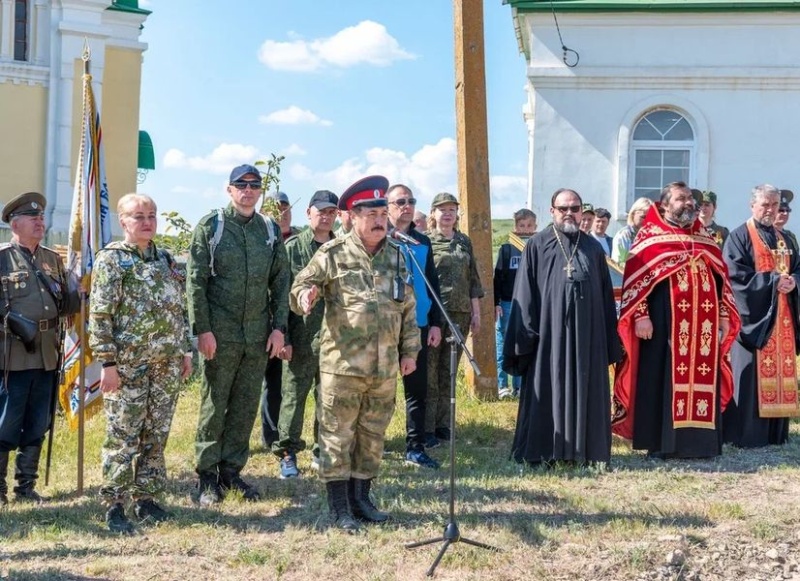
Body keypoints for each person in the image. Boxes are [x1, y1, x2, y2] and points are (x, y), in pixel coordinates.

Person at [290, 175, 420, 531]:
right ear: (353, 215)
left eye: (383, 212)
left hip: (383, 367)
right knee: (337, 435)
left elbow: (408, 308)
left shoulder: (397, 256)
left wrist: (410, 351)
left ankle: (362, 498)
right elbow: (302, 283)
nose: (380, 220)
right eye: (371, 213)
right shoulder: (333, 253)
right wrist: (305, 296)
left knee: (372, 434)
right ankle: (338, 507)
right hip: (343, 366)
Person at [88, 193, 193, 533]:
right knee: (123, 436)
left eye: (151, 215)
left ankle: (146, 498)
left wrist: (185, 351)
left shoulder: (165, 259)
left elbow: (179, 307)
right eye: (138, 216)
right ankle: (115, 504)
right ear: (123, 221)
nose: (147, 221)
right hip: (128, 366)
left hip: (166, 364)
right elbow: (100, 315)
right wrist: (107, 363)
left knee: (155, 435)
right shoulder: (112, 260)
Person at [613, 182, 740, 459]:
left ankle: (701, 443)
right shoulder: (650, 238)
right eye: (681, 199)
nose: (689, 203)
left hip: (703, 327)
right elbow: (637, 280)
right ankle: (662, 443)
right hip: (663, 325)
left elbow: (720, 282)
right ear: (665, 205)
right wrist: (641, 315)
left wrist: (721, 316)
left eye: (690, 199)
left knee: (703, 378)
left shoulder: (705, 239)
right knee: (662, 378)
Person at [187, 164, 289, 506]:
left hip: (257, 336)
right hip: (221, 334)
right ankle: (206, 477)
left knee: (245, 405)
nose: (248, 190)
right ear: (229, 190)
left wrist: (279, 329)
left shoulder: (269, 230)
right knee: (215, 405)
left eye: (254, 185)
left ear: (260, 191)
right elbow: (196, 282)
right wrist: (202, 330)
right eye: (240, 185)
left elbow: (281, 283)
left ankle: (231, 471)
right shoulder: (212, 226)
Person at [503, 189, 620, 466]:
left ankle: (587, 453)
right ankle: (545, 451)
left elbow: (604, 296)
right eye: (563, 208)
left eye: (575, 208)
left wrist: (608, 339)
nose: (570, 213)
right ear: (552, 211)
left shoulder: (592, 248)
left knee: (586, 388)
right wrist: (525, 337)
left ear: (582, 212)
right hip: (548, 339)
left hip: (587, 339)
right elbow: (525, 294)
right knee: (548, 388)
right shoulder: (537, 244)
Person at [0, 192, 79, 506]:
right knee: (6, 422)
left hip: (48, 354)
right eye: (33, 218)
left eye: (42, 217)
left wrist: (78, 289)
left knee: (37, 422)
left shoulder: (52, 258)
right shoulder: (3, 257)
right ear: (14, 223)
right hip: (12, 355)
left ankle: (26, 488)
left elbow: (65, 306)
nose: (40, 222)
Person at [722, 184, 800, 448]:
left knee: (781, 374)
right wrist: (772, 282)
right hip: (754, 321)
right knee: (748, 376)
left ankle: (775, 435)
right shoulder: (739, 236)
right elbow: (735, 277)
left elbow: (797, 269)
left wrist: (794, 283)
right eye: (765, 204)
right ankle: (747, 436)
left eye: (774, 205)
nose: (770, 210)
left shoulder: (786, 238)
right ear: (752, 205)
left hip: (783, 318)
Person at [271, 190, 338, 479]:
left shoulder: (343, 247)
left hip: (335, 338)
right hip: (300, 337)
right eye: (320, 210)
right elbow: (279, 293)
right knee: (293, 397)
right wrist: (283, 336)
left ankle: (321, 450)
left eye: (331, 211)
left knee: (329, 397)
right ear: (308, 213)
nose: (325, 216)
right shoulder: (293, 248)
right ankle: (287, 453)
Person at [386, 184, 443, 469]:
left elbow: (432, 283)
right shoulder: (378, 238)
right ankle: (376, 443)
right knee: (381, 390)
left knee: (416, 390)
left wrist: (435, 323)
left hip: (417, 324)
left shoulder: (423, 241)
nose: (406, 206)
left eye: (411, 201)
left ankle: (415, 447)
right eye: (400, 201)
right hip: (383, 327)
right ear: (387, 206)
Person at [425, 192, 484, 448]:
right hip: (435, 315)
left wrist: (477, 312)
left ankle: (443, 425)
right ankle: (426, 428)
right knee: (431, 372)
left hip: (460, 314)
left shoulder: (463, 241)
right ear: (433, 214)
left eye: (452, 209)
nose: (448, 214)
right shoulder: (427, 242)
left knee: (449, 371)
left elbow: (473, 279)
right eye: (442, 209)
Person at [260, 191, 300, 450]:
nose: (281, 213)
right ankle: (268, 433)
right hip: (263, 317)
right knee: (266, 379)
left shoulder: (299, 240)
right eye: (275, 209)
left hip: (290, 319)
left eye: (284, 208)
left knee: (284, 381)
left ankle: (280, 433)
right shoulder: (262, 239)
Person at [494, 208, 537, 399]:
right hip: (507, 303)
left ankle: (519, 385)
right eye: (522, 225)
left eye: (529, 226)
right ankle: (502, 384)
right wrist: (495, 303)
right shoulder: (506, 249)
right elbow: (498, 277)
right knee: (503, 341)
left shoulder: (537, 248)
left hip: (529, 305)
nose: (525, 229)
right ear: (515, 227)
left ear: (535, 226)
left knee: (523, 343)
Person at [612, 197, 652, 266]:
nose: (646, 220)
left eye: (649, 217)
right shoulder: (624, 235)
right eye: (643, 217)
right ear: (633, 214)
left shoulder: (650, 236)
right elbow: (618, 264)